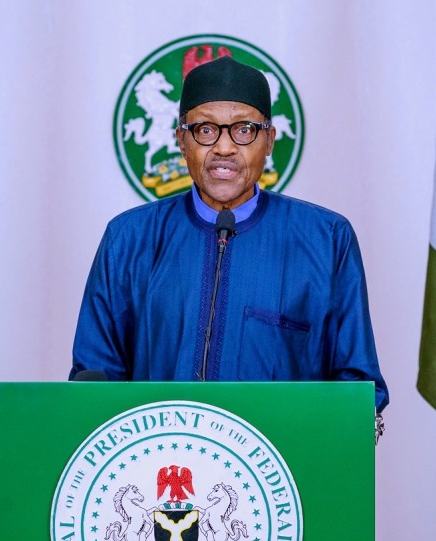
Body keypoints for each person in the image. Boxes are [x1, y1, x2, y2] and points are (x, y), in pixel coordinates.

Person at [70, 56, 388, 412]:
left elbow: (358, 391)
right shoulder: (128, 239)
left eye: (244, 130)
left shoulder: (326, 240)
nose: (224, 148)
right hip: (160, 448)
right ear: (181, 140)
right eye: (205, 130)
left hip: (281, 449)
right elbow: (94, 383)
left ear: (269, 140)